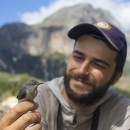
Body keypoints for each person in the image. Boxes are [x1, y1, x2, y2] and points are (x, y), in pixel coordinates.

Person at [0, 21, 130, 130]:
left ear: (116, 77)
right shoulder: (42, 97)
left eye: (99, 65)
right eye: (78, 57)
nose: (82, 70)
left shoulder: (124, 113)